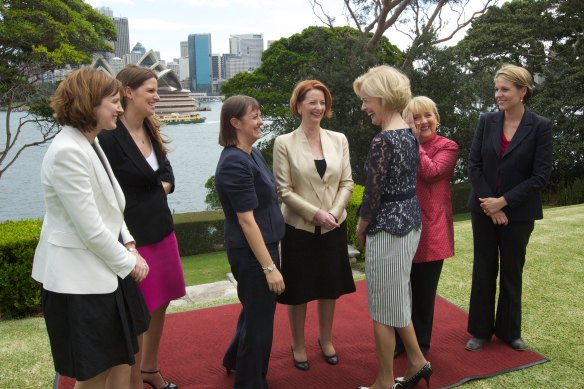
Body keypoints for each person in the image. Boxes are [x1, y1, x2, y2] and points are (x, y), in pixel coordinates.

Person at [32, 67, 150, 388]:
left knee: (120, 361)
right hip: (79, 283)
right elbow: (91, 229)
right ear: (90, 103)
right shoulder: (67, 152)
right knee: (94, 377)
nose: (120, 108)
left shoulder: (91, 142)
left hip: (103, 273)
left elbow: (110, 204)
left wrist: (127, 241)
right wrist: (130, 263)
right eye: (113, 101)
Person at [98, 65, 186, 389]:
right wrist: (152, 189)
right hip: (133, 239)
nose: (157, 96)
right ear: (129, 92)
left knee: (161, 302)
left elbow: (169, 178)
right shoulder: (108, 138)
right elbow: (109, 194)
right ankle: (133, 382)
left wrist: (147, 191)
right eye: (150, 90)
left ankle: (150, 368)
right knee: (137, 316)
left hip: (162, 231)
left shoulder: (151, 129)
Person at [353, 65, 432, 389]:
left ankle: (385, 381)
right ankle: (417, 362)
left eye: (366, 99)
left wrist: (360, 226)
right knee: (396, 299)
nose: (363, 106)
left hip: (388, 229)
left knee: (382, 308)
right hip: (410, 223)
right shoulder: (409, 135)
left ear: (383, 97)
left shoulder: (384, 140)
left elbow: (373, 194)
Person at [465, 64, 553, 352]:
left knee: (512, 271)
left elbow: (540, 175)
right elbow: (474, 167)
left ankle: (509, 331)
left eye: (505, 89)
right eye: (496, 89)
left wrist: (504, 202)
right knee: (483, 269)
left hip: (519, 213)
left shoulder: (540, 126)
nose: (498, 95)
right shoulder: (486, 121)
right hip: (483, 209)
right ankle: (479, 331)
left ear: (522, 91)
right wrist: (491, 204)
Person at [272, 79, 355, 371]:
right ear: (298, 105)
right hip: (299, 228)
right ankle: (297, 343)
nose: (318, 107)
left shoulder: (339, 139)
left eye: (322, 102)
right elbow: (283, 190)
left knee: (329, 286)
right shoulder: (284, 143)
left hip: (334, 225)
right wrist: (316, 214)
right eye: (312, 102)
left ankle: (326, 339)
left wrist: (332, 213)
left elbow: (347, 182)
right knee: (299, 289)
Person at [214, 95, 286, 389]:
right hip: (253, 254)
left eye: (260, 115)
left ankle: (234, 358)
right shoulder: (234, 163)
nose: (260, 121)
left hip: (265, 246)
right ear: (235, 123)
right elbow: (246, 220)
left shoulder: (251, 153)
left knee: (254, 311)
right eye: (254, 117)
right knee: (260, 323)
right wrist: (269, 268)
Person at [394, 96, 459, 356]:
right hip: (402, 225)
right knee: (400, 290)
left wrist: (412, 141)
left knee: (422, 293)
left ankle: (419, 346)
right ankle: (400, 342)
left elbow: (431, 172)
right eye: (415, 117)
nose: (422, 122)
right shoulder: (400, 144)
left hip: (431, 229)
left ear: (437, 117)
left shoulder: (448, 146)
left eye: (427, 115)